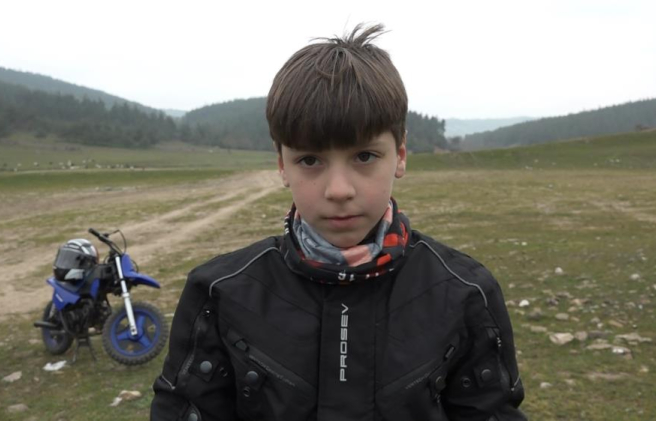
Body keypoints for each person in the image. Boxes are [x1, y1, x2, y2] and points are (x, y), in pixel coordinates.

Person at [151, 24, 526, 421]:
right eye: (310, 160)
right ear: (282, 166)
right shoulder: (219, 293)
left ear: (400, 155)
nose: (339, 190)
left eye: (364, 156)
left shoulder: (466, 292)